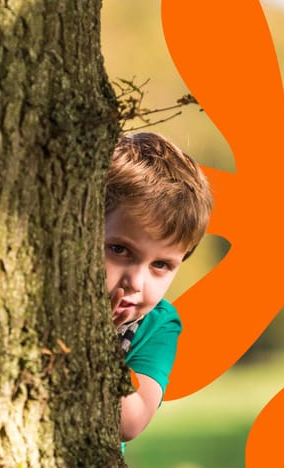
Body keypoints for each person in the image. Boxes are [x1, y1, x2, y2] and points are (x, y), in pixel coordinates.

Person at [104, 132, 212, 446]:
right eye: (120, 250)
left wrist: (97, 338)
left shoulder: (158, 325)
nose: (135, 283)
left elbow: (131, 422)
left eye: (161, 265)